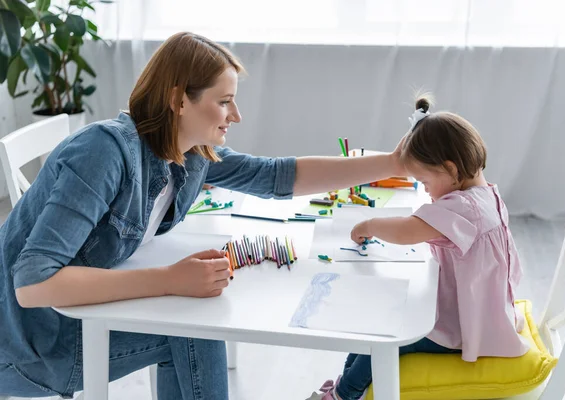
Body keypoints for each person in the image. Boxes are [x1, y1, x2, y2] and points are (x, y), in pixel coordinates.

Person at [0, 32, 406, 399]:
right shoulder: (104, 152)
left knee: (195, 320)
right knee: (196, 330)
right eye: (225, 102)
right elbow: (33, 285)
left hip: (67, 321)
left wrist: (392, 163)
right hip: (27, 346)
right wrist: (168, 280)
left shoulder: (189, 154)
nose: (237, 115)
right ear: (179, 100)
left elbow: (277, 176)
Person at [311, 96, 529, 400]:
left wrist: (369, 225)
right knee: (374, 327)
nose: (425, 190)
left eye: (424, 181)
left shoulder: (462, 208)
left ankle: (344, 394)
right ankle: (345, 385)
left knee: (385, 338)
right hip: (484, 308)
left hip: (461, 327)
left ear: (450, 170)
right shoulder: (485, 194)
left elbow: (405, 231)